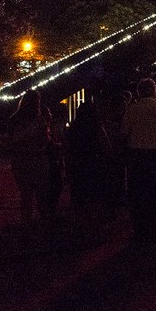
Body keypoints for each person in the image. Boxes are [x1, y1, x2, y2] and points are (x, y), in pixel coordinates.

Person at [121, 78, 156, 243]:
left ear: (139, 92)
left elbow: (124, 135)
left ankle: (139, 229)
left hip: (137, 156)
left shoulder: (131, 109)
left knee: (137, 193)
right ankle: (152, 228)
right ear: (154, 91)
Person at [66, 102, 112, 240]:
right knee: (96, 199)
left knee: (80, 200)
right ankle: (95, 230)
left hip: (78, 166)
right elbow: (107, 148)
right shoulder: (97, 128)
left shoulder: (72, 129)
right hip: (95, 165)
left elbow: (67, 150)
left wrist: (68, 168)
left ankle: (82, 229)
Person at [9, 89, 51, 225]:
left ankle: (27, 221)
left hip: (21, 160)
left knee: (26, 194)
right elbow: (45, 140)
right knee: (40, 192)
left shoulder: (15, 119)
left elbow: (10, 141)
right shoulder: (39, 119)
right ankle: (41, 220)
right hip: (35, 158)